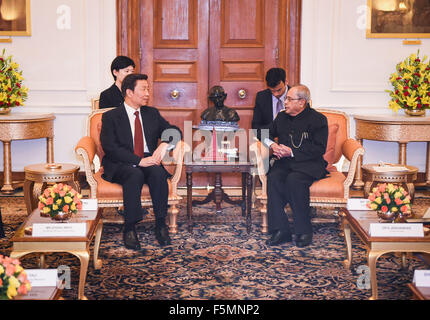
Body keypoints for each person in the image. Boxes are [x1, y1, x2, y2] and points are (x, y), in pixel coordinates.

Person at [100, 73, 182, 252]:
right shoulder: (111, 117)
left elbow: (174, 130)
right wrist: (138, 161)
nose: (147, 93)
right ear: (129, 92)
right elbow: (110, 148)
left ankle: (160, 224)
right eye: (143, 89)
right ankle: (130, 227)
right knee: (134, 174)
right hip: (122, 161)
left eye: (148, 89)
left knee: (158, 173)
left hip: (149, 158)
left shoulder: (151, 113)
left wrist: (165, 144)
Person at [265, 84, 328, 248]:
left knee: (294, 180)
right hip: (285, 163)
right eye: (286, 99)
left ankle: (303, 231)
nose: (284, 102)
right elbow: (264, 134)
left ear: (302, 102)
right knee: (273, 177)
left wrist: (291, 152)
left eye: (289, 99)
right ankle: (281, 230)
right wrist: (273, 145)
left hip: (309, 164)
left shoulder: (318, 120)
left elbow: (319, 148)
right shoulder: (281, 117)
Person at [252, 68, 290, 140]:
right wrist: (271, 143)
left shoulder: (297, 96)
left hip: (291, 141)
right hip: (269, 140)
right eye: (272, 91)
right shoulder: (261, 97)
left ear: (286, 82)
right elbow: (256, 127)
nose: (276, 94)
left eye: (279, 90)